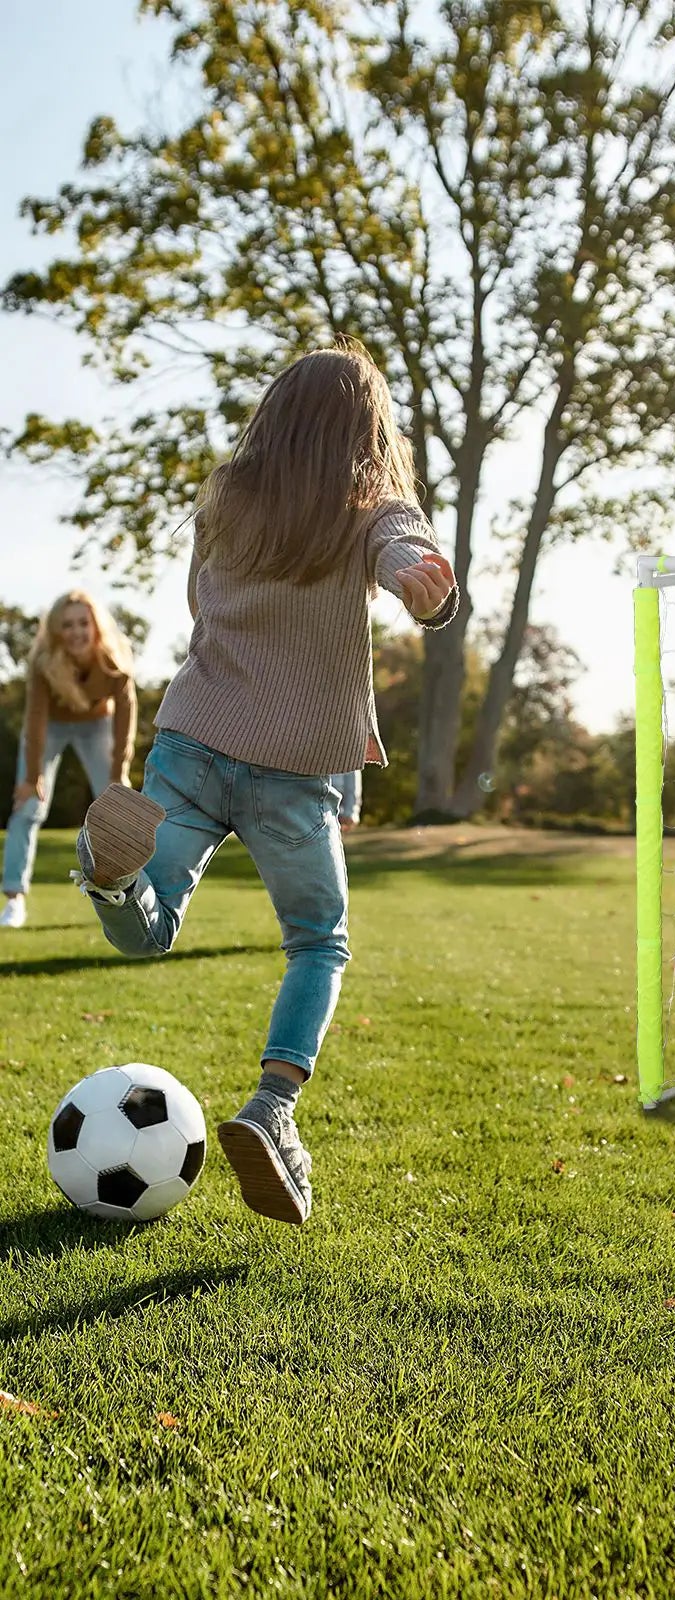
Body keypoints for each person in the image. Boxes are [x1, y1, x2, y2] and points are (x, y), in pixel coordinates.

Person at [71, 339, 458, 1226]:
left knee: (153, 927)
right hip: (293, 770)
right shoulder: (372, 508)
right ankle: (273, 1107)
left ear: (275, 416)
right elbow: (410, 553)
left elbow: (199, 606)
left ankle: (110, 877)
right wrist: (420, 587)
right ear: (369, 428)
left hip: (195, 735)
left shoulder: (225, 497)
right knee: (318, 942)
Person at [2, 592, 137, 930]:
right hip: (51, 727)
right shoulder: (43, 661)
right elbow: (34, 721)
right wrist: (32, 778)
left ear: (96, 626)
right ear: (56, 630)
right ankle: (14, 900)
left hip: (97, 726)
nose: (76, 631)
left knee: (118, 807)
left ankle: (131, 890)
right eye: (67, 625)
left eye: (83, 623)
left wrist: (119, 770)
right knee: (27, 806)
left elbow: (126, 717)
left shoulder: (114, 658)